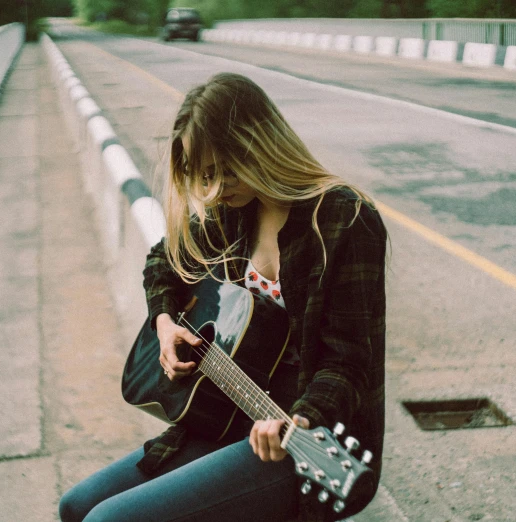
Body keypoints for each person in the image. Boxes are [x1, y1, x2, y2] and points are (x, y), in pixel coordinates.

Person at [59, 72, 387, 522]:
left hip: (311, 443)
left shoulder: (343, 219)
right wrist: (165, 323)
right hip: (227, 417)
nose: (214, 187)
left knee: (107, 520)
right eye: (204, 174)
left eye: (226, 169)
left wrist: (301, 418)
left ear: (262, 144)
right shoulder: (234, 213)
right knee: (76, 507)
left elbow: (350, 361)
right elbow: (163, 260)